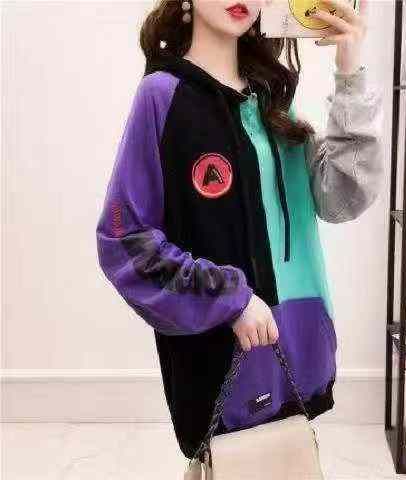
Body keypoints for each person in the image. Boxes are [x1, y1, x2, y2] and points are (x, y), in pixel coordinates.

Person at [96, 0, 383, 460]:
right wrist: (228, 298)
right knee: (234, 462)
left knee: (285, 460)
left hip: (296, 335)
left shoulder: (272, 97)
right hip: (222, 349)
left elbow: (341, 198)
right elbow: (124, 238)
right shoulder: (163, 96)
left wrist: (349, 71)